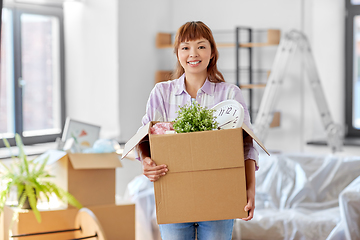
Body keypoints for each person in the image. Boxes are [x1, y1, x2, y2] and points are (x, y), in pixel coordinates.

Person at [136, 21, 259, 240]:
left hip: (219, 196)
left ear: (212, 53)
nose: (193, 53)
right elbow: (145, 138)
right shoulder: (162, 93)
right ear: (177, 54)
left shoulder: (230, 94)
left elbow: (246, 146)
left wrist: (250, 190)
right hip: (174, 195)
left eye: (201, 46)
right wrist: (146, 162)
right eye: (185, 47)